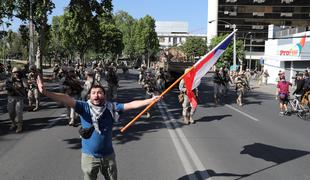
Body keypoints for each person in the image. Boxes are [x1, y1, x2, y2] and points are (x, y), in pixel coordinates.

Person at [36, 75, 158, 180]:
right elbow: (66, 98)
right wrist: (46, 92)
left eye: (99, 93)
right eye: (93, 93)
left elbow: (131, 104)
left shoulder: (112, 107)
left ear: (104, 95)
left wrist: (150, 101)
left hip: (108, 156)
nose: (96, 95)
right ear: (89, 96)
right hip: (89, 157)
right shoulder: (84, 107)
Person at [5, 67, 28, 133]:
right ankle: (13, 123)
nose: (16, 73)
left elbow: (26, 86)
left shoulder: (22, 79)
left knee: (19, 112)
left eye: (17, 72)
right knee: (11, 112)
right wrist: (13, 82)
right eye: (14, 72)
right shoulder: (9, 79)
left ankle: (19, 125)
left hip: (19, 98)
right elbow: (7, 87)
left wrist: (21, 80)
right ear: (12, 73)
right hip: (11, 98)